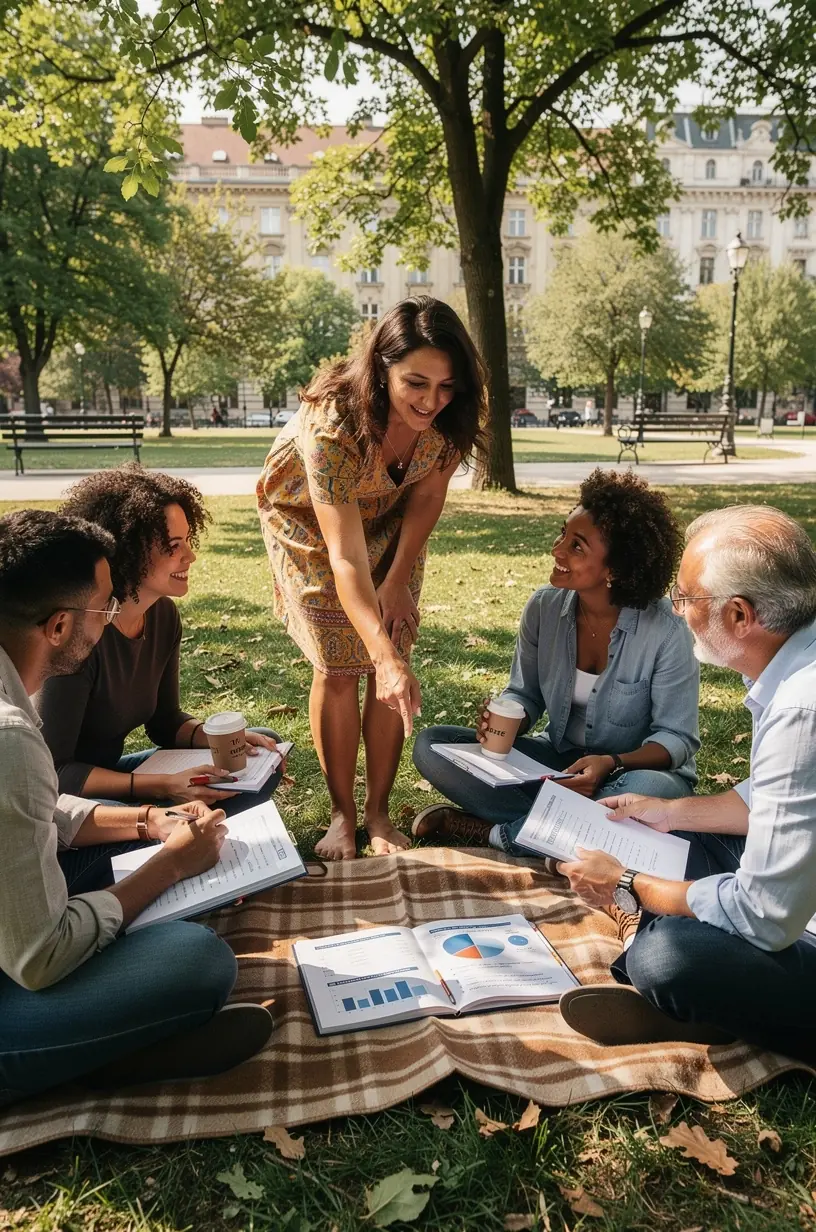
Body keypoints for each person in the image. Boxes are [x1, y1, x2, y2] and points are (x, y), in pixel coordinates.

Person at [0, 510, 273, 1104]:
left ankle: (97, 1040)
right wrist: (169, 865)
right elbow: (38, 958)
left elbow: (33, 814)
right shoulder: (13, 738)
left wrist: (151, 822)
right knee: (199, 962)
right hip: (15, 974)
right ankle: (90, 1056)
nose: (110, 618)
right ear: (58, 625)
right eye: (102, 608)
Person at [557, 505, 816, 1064]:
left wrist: (631, 883)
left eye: (686, 600)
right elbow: (772, 799)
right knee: (680, 846)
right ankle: (716, 995)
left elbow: (765, 916)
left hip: (796, 921)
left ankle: (701, 996)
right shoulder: (794, 663)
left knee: (669, 958)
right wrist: (669, 813)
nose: (677, 612)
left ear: (740, 615)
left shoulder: (801, 706)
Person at [257, 296, 486, 861]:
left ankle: (379, 813)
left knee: (395, 654)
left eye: (447, 386)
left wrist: (398, 580)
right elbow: (345, 558)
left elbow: (429, 494)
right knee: (342, 660)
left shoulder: (449, 421)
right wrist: (377, 653)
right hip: (310, 523)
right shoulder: (335, 421)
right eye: (415, 383)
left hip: (391, 512)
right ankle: (342, 814)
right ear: (380, 369)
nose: (432, 401)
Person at [412, 469, 699, 853]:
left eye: (577, 546)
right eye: (563, 533)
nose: (557, 549)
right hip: (557, 765)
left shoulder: (666, 630)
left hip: (630, 772)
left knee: (649, 793)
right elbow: (524, 693)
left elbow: (675, 739)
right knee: (434, 745)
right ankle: (574, 833)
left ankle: (497, 834)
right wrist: (506, 722)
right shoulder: (544, 608)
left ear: (616, 569)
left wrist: (610, 763)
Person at [37, 466, 284, 818]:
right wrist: (162, 787)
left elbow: (165, 722)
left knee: (260, 749)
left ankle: (173, 834)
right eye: (173, 546)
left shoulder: (163, 615)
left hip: (119, 779)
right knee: (159, 826)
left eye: (188, 540)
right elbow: (56, 773)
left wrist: (215, 739)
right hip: (65, 801)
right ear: (128, 551)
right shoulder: (80, 633)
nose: (190, 556)